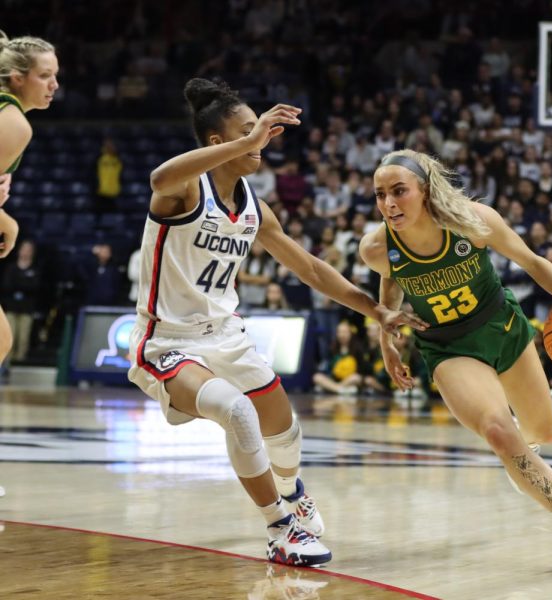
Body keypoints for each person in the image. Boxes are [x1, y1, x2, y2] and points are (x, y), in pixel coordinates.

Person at [128, 79, 425, 567]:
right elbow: (159, 177)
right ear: (217, 143)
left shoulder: (253, 207)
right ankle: (280, 530)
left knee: (285, 432)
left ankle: (292, 492)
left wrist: (378, 310)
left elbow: (310, 269)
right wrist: (250, 139)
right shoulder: (183, 188)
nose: (264, 139)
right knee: (237, 411)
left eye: (261, 130)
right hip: (167, 341)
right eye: (249, 131)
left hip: (227, 337)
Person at [359, 149, 552, 573]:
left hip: (503, 327)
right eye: (380, 195)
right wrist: (386, 341)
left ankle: (523, 455)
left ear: (425, 192)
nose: (389, 204)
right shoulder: (377, 248)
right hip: (448, 348)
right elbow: (390, 287)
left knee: (541, 432)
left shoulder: (473, 220)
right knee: (499, 431)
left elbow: (534, 263)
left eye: (399, 192)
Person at [0, 31, 58, 364]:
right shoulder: (14, 123)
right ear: (18, 79)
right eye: (45, 75)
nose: (54, 85)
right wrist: (7, 220)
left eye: (55, 75)